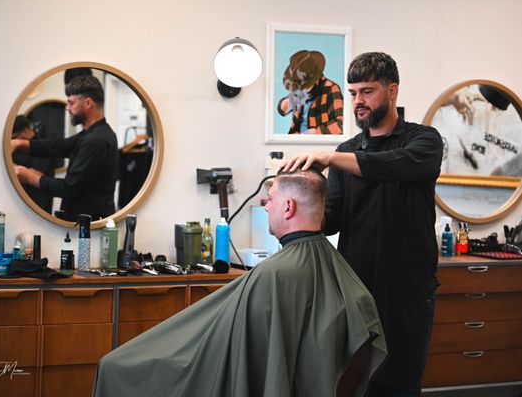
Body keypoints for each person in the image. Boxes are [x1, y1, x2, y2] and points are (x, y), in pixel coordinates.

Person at [93, 168, 386, 397]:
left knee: (116, 365)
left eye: (270, 200)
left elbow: (221, 351)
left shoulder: (273, 274)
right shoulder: (339, 269)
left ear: (288, 207)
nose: (266, 206)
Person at [282, 52, 443, 396]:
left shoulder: (423, 141)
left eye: (367, 91)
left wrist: (331, 157)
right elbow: (332, 218)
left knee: (398, 387)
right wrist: (292, 207)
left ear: (393, 90)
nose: (357, 101)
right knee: (353, 387)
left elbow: (392, 165)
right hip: (356, 295)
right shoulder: (347, 149)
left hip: (408, 295)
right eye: (353, 92)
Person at [12, 75, 118, 221]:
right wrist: (19, 143)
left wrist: (30, 177)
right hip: (81, 220)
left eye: (71, 103)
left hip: (89, 225)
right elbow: (57, 146)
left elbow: (68, 188)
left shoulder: (97, 140)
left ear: (88, 103)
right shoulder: (90, 134)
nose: (67, 108)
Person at [278, 50, 344, 134]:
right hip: (295, 142)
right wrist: (288, 102)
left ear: (315, 79)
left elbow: (340, 125)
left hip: (318, 143)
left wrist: (312, 134)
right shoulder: (300, 91)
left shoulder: (331, 88)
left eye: (307, 85)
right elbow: (281, 110)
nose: (303, 89)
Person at [11, 115, 56, 213]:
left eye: (16, 138)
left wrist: (17, 169)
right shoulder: (14, 150)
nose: (14, 142)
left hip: (38, 203)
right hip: (16, 202)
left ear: (27, 130)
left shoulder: (43, 147)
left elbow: (40, 175)